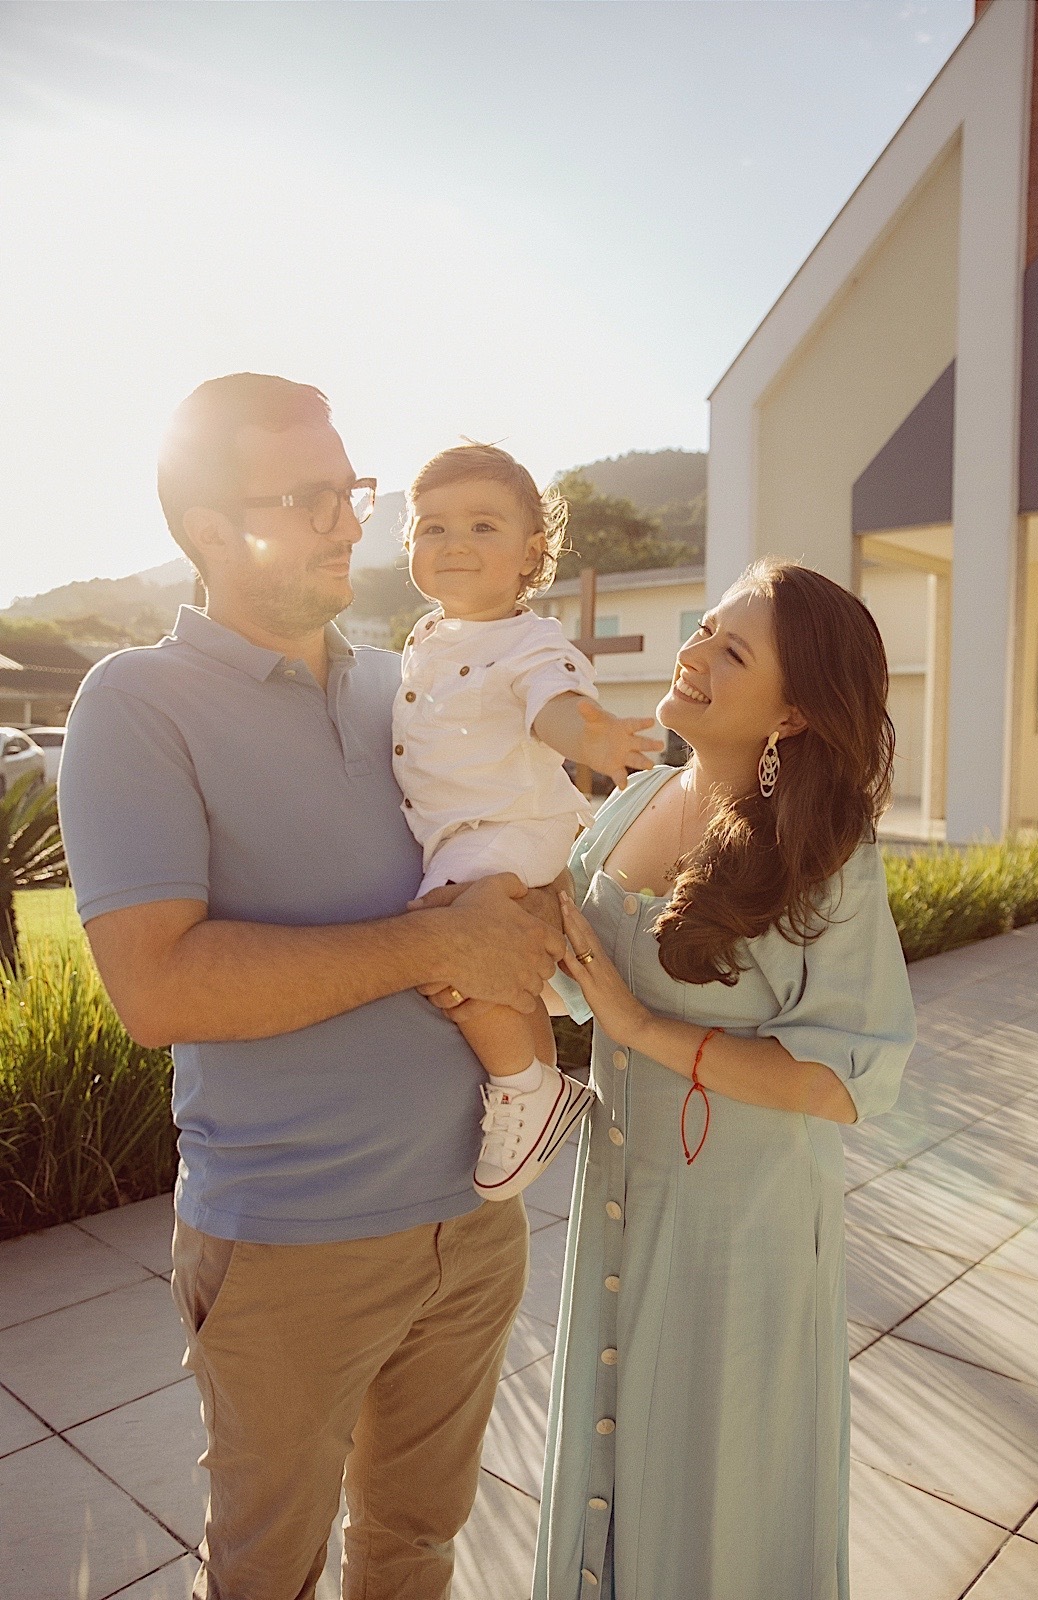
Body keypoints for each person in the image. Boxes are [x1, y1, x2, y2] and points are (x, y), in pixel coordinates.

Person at [57, 373, 571, 1600]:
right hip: (291, 1246)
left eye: (350, 489)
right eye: (306, 496)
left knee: (411, 1550)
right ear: (206, 529)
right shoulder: (134, 704)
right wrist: (433, 946)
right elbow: (157, 989)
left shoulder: (407, 679)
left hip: (475, 1220)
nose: (349, 523)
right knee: (265, 1574)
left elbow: (509, 857)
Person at [533, 558, 917, 1600]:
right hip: (616, 1199)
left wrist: (637, 1026)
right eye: (701, 628)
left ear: (792, 711)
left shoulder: (824, 856)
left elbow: (847, 1078)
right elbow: (562, 963)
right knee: (610, 1470)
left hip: (738, 1233)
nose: (692, 652)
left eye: (729, 649)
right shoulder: (634, 801)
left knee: (716, 1506)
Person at [396, 444, 660, 1202]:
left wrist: (595, 738)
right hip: (467, 830)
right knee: (500, 974)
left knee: (450, 939)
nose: (453, 545)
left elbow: (553, 705)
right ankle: (538, 1079)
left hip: (511, 826)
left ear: (530, 555)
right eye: (431, 528)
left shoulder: (530, 641)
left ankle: (523, 1089)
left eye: (482, 527)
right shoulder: (424, 637)